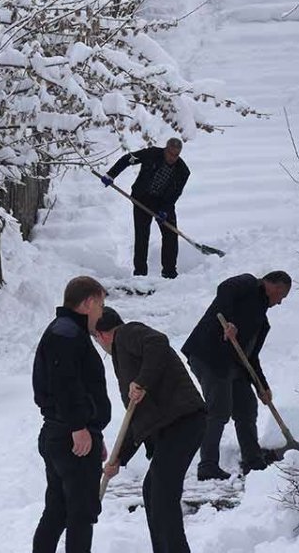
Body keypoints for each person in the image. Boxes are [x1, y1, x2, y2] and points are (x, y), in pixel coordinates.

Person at [94, 307, 205, 553]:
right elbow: (137, 419)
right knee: (152, 490)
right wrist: (119, 459)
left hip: (183, 421)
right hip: (171, 427)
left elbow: (158, 342)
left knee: (163, 495)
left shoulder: (126, 333)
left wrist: (142, 381)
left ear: (100, 335)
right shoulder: (122, 356)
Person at [180, 271, 291, 480]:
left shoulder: (262, 323)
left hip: (234, 366)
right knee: (219, 409)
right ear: (275, 287)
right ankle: (207, 466)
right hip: (208, 356)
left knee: (247, 407)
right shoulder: (248, 284)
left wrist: (262, 387)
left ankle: (253, 461)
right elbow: (224, 288)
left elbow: (251, 358)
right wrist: (229, 321)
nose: (280, 302)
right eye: (282, 296)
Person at [32, 276, 113, 553]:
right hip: (69, 437)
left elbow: (79, 386)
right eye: (100, 305)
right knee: (79, 514)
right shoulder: (66, 334)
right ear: (88, 303)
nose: (101, 313)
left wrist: (92, 431)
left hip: (66, 434)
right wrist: (79, 427)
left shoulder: (68, 331)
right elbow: (63, 384)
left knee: (59, 511)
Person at [100, 138, 190, 279]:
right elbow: (127, 159)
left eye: (176, 155)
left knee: (171, 235)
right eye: (171, 154)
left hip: (164, 203)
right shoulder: (151, 153)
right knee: (142, 235)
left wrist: (165, 211)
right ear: (165, 149)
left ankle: (169, 272)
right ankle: (140, 273)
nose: (173, 158)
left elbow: (175, 194)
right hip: (142, 198)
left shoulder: (183, 171)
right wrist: (111, 174)